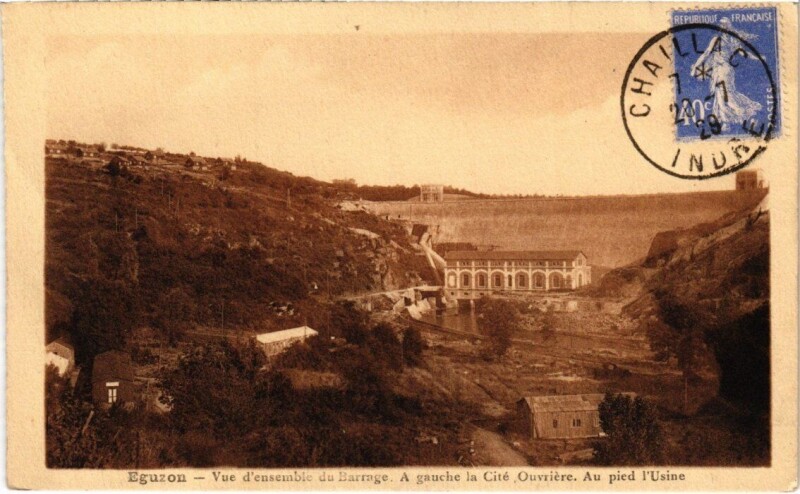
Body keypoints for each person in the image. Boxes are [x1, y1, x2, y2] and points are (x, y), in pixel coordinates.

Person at [690, 18, 761, 131]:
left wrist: (695, 67)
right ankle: (727, 119)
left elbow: (706, 53)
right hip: (725, 70)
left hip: (722, 70)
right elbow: (744, 53)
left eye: (723, 25)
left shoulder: (718, 39)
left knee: (722, 94)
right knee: (725, 94)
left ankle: (729, 120)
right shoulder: (732, 40)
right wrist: (758, 57)